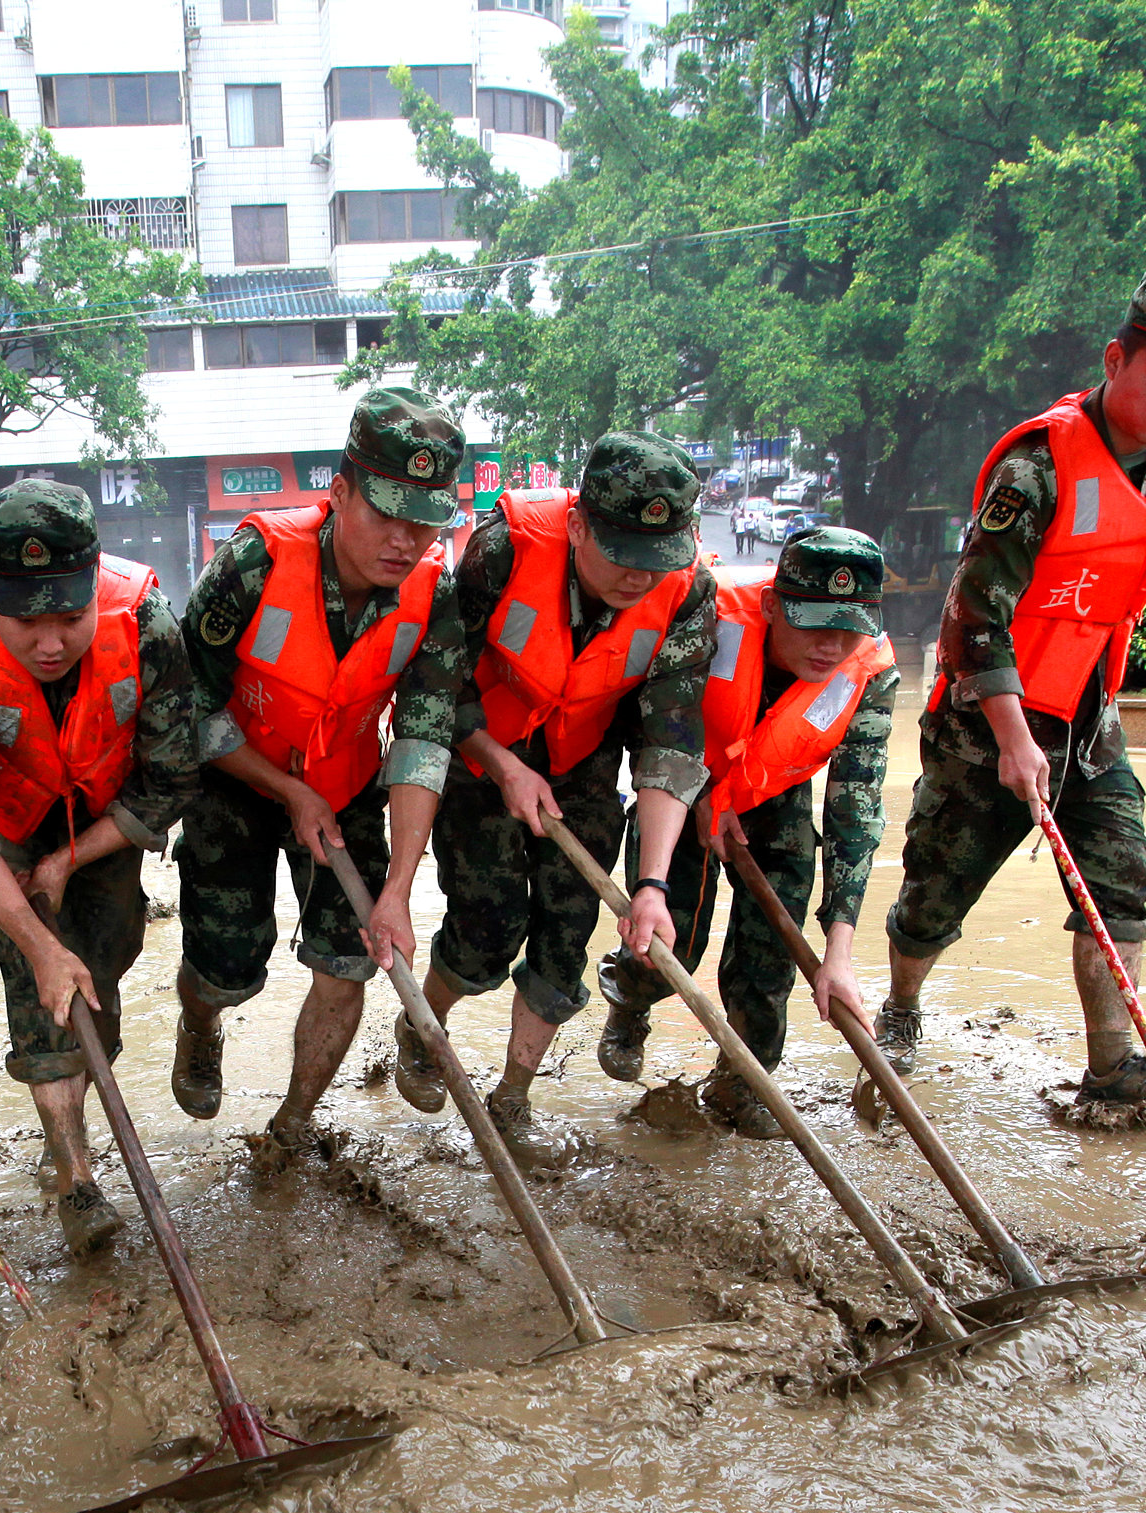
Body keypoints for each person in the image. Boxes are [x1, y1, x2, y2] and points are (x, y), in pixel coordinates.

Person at [879, 260, 1146, 1109]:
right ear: (1117, 361)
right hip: (987, 720)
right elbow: (975, 616)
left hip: (1086, 717)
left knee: (1120, 877)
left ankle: (1114, 1069)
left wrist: (1064, 729)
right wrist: (1012, 741)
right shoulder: (1037, 470)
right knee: (937, 890)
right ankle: (901, 1008)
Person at [375, 432, 718, 1133]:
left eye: (656, 559)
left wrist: (651, 885)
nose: (638, 577)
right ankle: (422, 1026)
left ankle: (512, 1097)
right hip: (482, 750)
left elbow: (669, 744)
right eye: (622, 552)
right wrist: (502, 764)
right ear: (580, 523)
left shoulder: (687, 594)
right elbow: (438, 686)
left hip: (583, 762)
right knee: (487, 928)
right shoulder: (503, 551)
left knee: (566, 939)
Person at [169, 388, 464, 1152]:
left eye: (424, 522)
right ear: (338, 493)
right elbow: (188, 703)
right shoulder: (254, 560)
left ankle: (291, 1129)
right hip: (235, 774)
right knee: (228, 969)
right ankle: (200, 1022)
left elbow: (424, 739)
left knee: (348, 962)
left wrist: (398, 887)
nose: (405, 540)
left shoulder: (436, 595)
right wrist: (286, 789)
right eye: (386, 514)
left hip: (350, 779)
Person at [0, 479, 197, 1254]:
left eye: (69, 619)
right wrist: (37, 939)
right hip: (3, 824)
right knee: (37, 980)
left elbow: (172, 775)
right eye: (26, 622)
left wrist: (75, 856)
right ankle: (76, 1176)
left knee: (98, 970)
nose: (49, 644)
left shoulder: (146, 621)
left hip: (102, 819)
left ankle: (73, 1097)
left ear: (94, 582)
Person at [593, 527, 899, 1135]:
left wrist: (839, 949)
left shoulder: (869, 671)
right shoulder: (706, 615)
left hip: (773, 790)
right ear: (771, 605)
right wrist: (702, 792)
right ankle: (630, 1000)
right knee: (671, 939)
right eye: (812, 623)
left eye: (849, 627)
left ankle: (744, 1079)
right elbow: (642, 718)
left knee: (772, 955)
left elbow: (855, 807)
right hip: (681, 779)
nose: (831, 645)